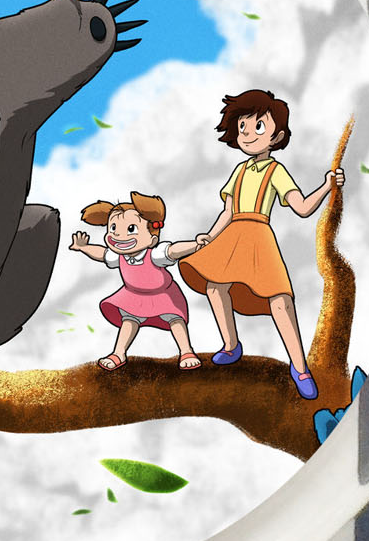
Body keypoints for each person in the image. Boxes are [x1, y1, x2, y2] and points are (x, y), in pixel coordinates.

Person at [179, 88, 343, 399]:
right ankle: (231, 345)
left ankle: (300, 368)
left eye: (258, 126)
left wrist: (326, 187)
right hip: (232, 235)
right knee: (215, 286)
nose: (247, 133)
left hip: (259, 236)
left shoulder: (276, 171)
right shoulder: (239, 171)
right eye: (242, 126)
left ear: (276, 136)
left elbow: (302, 208)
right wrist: (210, 236)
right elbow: (228, 211)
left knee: (280, 301)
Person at [69, 193, 206, 370]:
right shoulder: (118, 256)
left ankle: (186, 352)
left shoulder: (155, 254)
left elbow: (173, 250)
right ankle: (118, 354)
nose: (119, 235)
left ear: (152, 238)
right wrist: (83, 247)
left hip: (163, 295)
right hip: (133, 295)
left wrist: (195, 244)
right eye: (113, 228)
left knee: (175, 320)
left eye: (131, 229)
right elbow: (102, 254)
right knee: (129, 321)